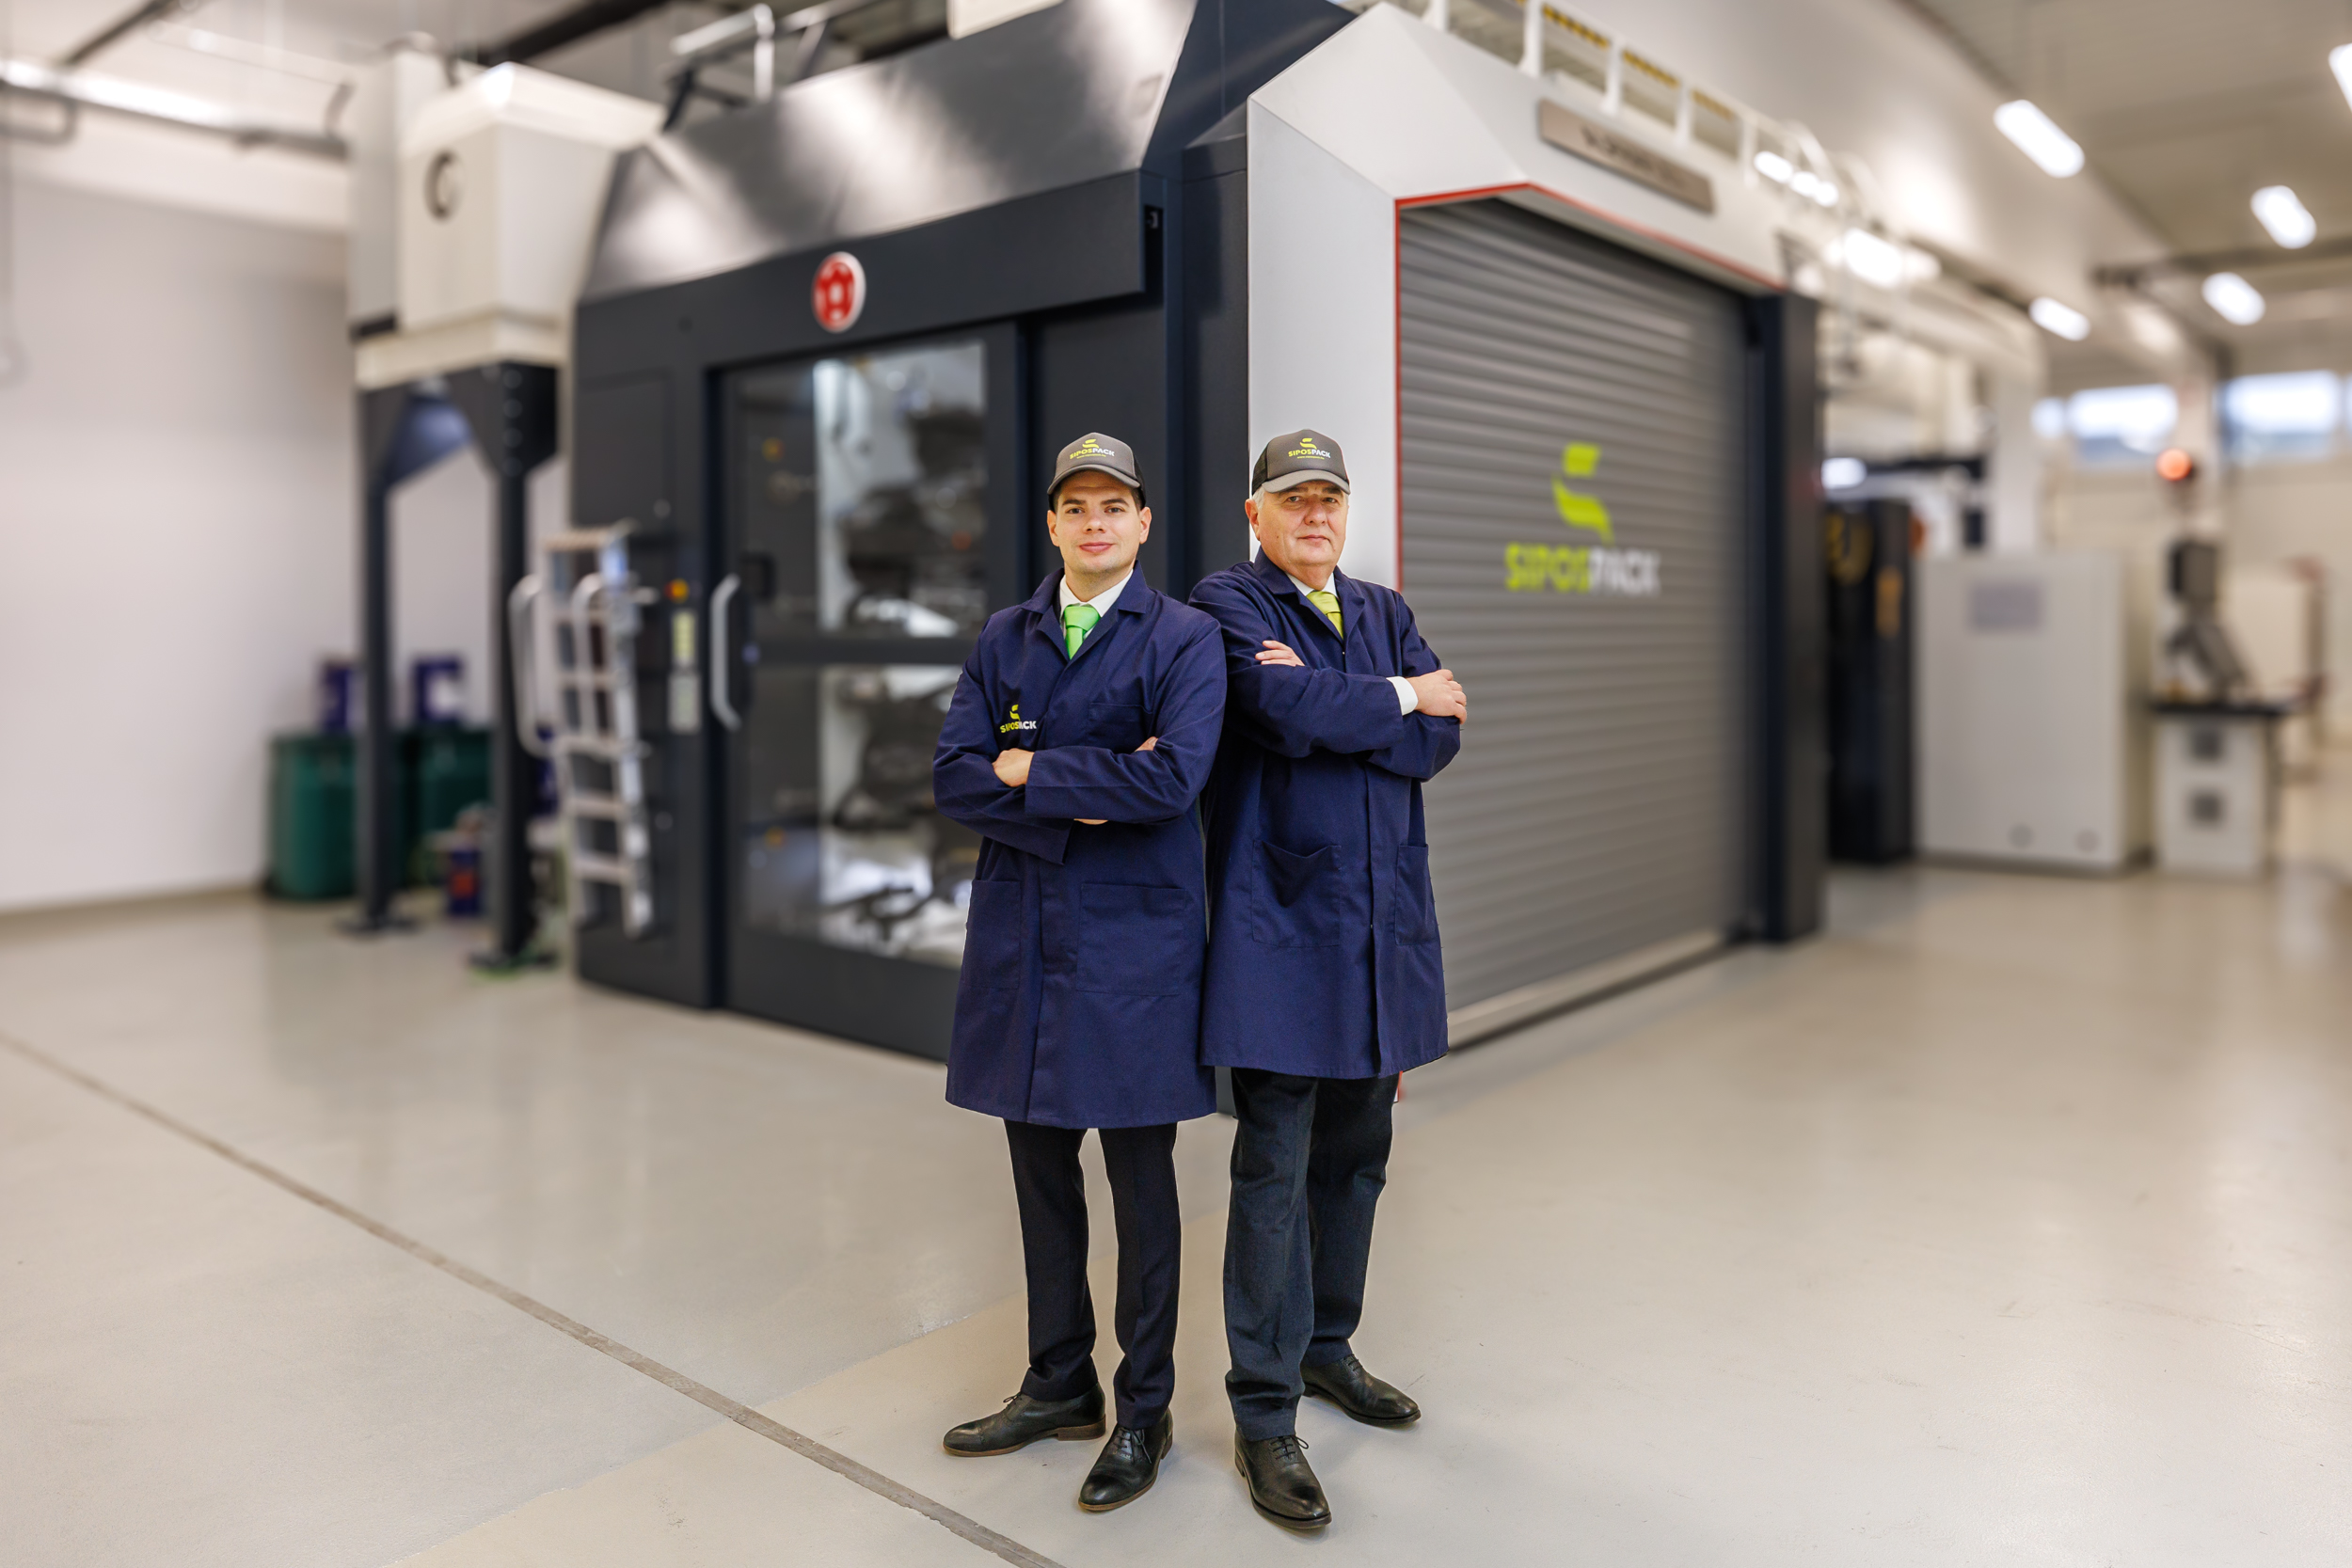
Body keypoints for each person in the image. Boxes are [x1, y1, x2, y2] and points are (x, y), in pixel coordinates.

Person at [930, 432, 1227, 1513]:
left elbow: (1175, 779)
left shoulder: (1185, 640)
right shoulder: (1003, 636)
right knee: (1040, 1175)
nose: (1094, 522)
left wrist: (1034, 770)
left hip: (1135, 946)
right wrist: (1090, 790)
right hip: (1025, 940)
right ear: (1052, 522)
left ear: (1143, 522)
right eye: (1076, 506)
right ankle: (1059, 1380)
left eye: (1114, 506)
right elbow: (956, 777)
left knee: (1142, 1188)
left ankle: (1144, 1408)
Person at [1188, 429, 1468, 1532]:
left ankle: (1325, 1346)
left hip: (1378, 931)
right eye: (1292, 499)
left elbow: (1439, 739)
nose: (1313, 515)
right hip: (1279, 928)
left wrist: (1348, 705)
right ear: (1255, 513)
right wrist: (1395, 697)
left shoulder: (1383, 608)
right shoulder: (1227, 603)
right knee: (1273, 1165)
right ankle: (1263, 1411)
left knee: (1357, 1157)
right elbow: (1279, 711)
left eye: (1328, 500)